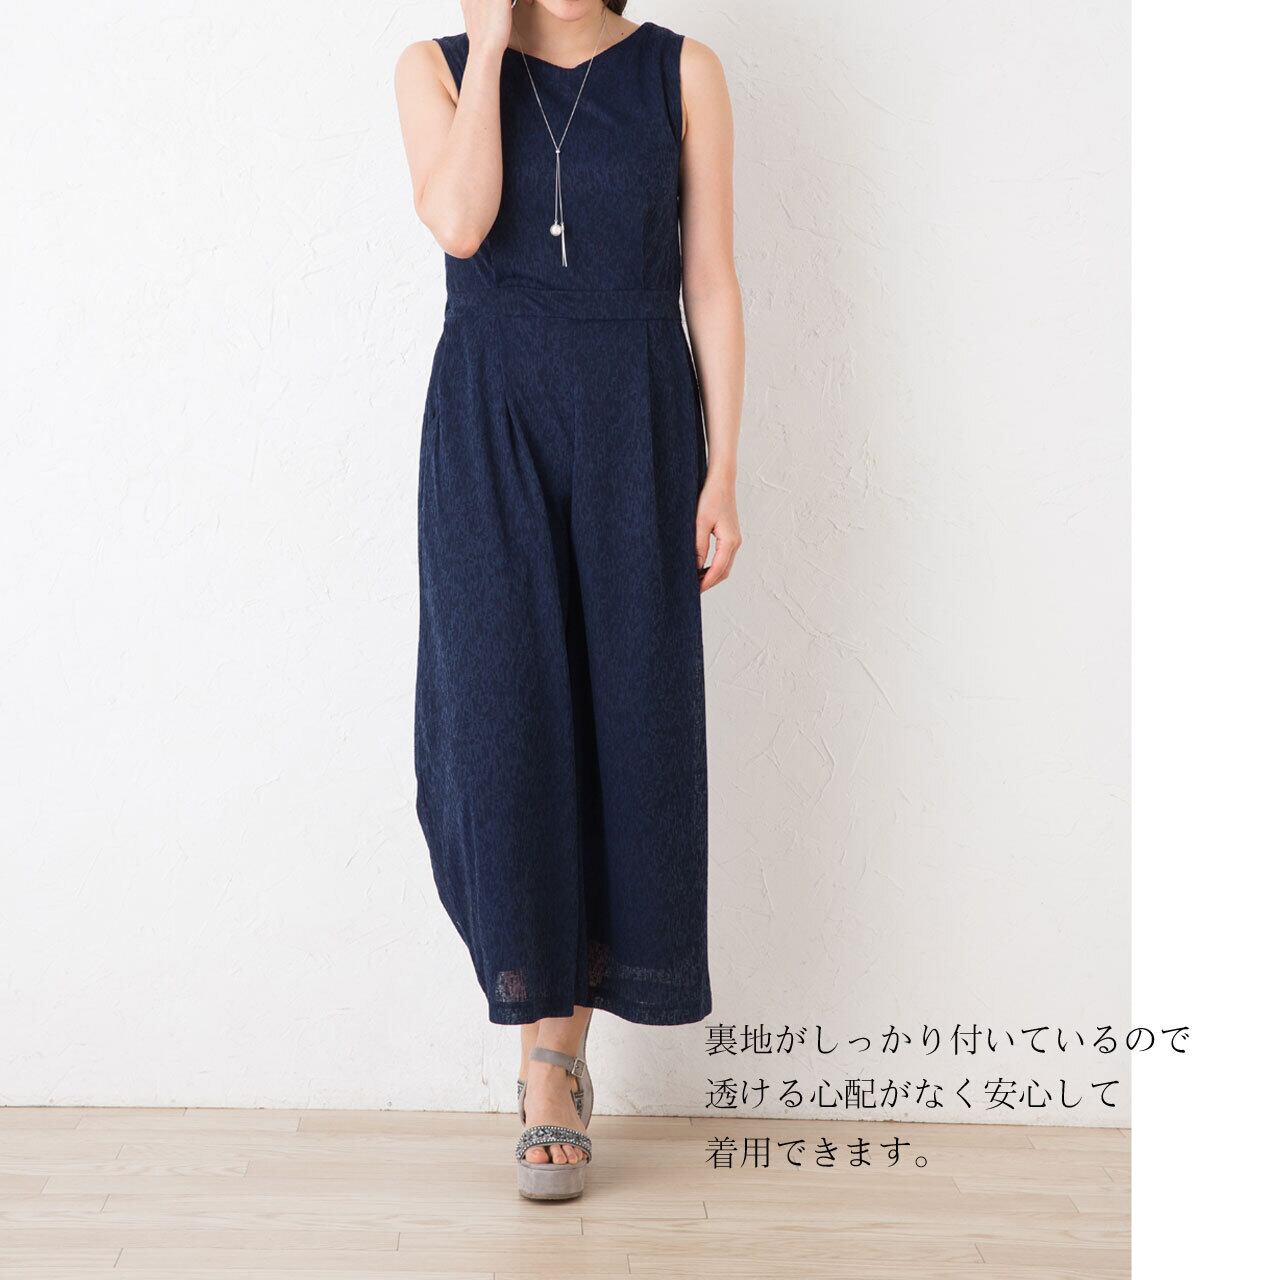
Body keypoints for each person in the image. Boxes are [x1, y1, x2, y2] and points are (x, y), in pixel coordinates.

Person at [394, 0, 744, 1198]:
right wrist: (492, 44)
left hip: (636, 420)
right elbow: (458, 220)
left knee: (624, 726)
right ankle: (534, 1018)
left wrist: (723, 467)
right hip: (489, 419)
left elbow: (709, 278)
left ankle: (554, 1064)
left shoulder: (681, 72)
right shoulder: (436, 69)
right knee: (499, 727)